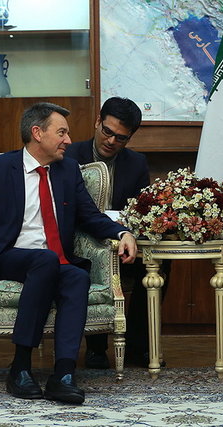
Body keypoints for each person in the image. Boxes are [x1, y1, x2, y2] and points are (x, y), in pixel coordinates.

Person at [0, 102, 137, 404]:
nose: (68, 140)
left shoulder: (68, 170)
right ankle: (20, 366)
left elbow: (90, 216)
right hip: (9, 258)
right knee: (46, 260)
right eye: (61, 132)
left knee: (77, 277)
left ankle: (63, 374)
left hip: (50, 261)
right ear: (37, 133)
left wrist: (122, 232)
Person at [65, 96, 168, 369]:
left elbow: (139, 210)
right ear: (97, 122)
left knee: (157, 265)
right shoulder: (69, 155)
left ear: (130, 137)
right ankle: (96, 348)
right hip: (78, 242)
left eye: (121, 138)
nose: (111, 141)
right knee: (95, 259)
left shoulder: (136, 163)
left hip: (122, 239)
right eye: (107, 131)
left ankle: (137, 346)